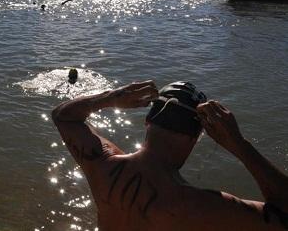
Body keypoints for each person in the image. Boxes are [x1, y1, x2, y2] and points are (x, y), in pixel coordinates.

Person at [51, 81, 288, 231]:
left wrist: (111, 98)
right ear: (197, 137)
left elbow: (63, 116)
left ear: (147, 121)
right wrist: (239, 144)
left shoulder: (104, 166)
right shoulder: (201, 206)